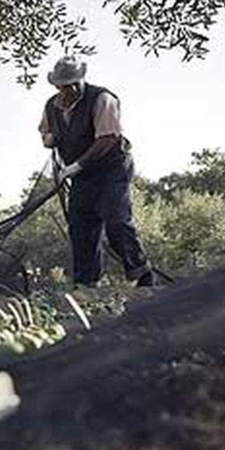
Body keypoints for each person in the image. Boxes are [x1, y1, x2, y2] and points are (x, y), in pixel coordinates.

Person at [39, 55, 155, 287]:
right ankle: (86, 285)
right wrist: (50, 139)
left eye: (73, 83)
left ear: (80, 80)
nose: (69, 88)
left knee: (116, 220)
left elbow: (107, 139)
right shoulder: (52, 105)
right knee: (80, 227)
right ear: (57, 85)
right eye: (64, 85)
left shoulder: (102, 99)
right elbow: (46, 132)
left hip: (111, 169)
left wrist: (75, 166)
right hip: (82, 176)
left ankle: (142, 275)